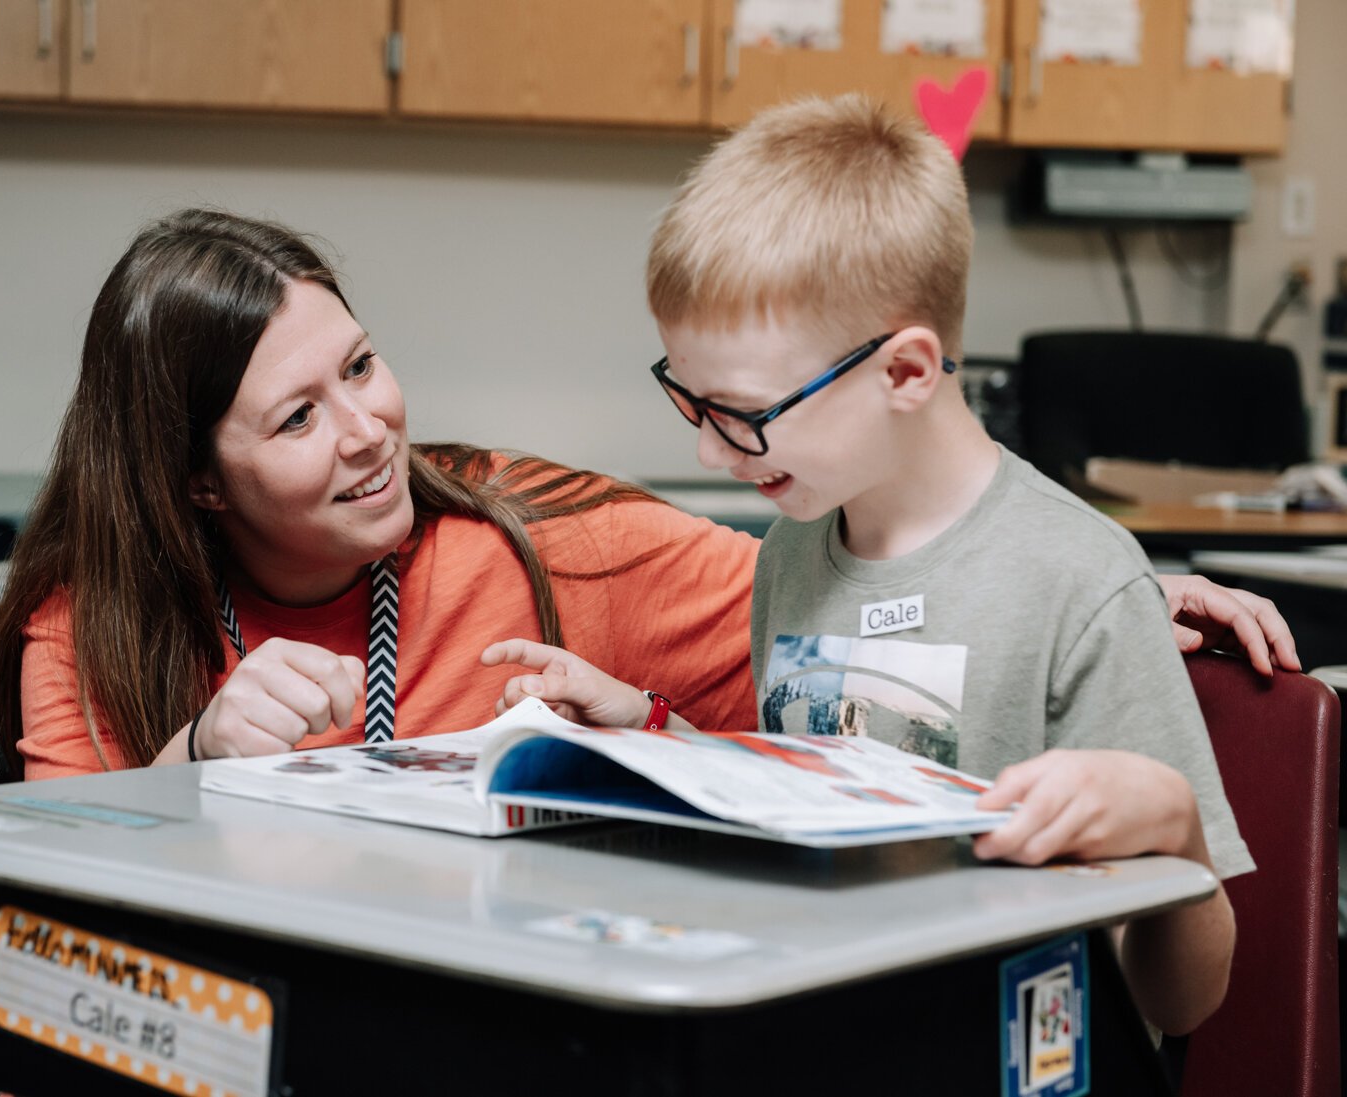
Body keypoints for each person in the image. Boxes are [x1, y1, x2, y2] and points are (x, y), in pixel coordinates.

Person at [0, 208, 1293, 788]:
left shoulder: (530, 533)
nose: (369, 428)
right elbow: (41, 917)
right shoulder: (90, 622)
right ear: (197, 488)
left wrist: (1092, 590)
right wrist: (197, 759)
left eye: (364, 365)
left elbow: (867, 604)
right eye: (295, 417)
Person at [483, 95, 1268, 1038]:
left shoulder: (1082, 582)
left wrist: (1174, 827)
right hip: (831, 1022)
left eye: (744, 412)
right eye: (689, 400)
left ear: (904, 372)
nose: (712, 454)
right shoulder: (796, 547)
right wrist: (654, 728)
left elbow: (1182, 1004)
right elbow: (823, 787)